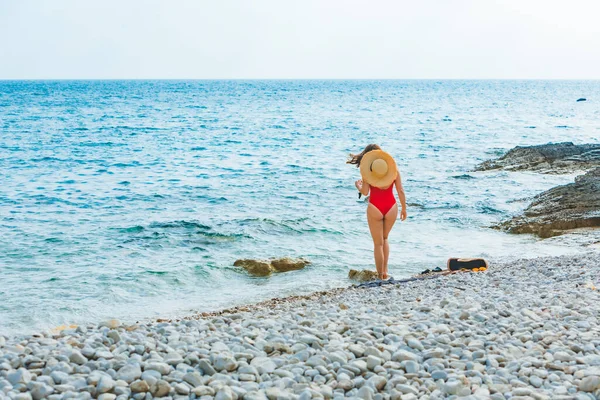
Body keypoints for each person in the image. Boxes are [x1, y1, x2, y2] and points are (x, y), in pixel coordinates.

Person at [347, 144, 407, 280]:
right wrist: (404, 208)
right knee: (385, 239)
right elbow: (400, 191)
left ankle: (380, 275)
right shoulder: (394, 171)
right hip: (391, 206)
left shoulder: (368, 173)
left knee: (377, 243)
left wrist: (358, 186)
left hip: (375, 207)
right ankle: (385, 271)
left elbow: (365, 192)